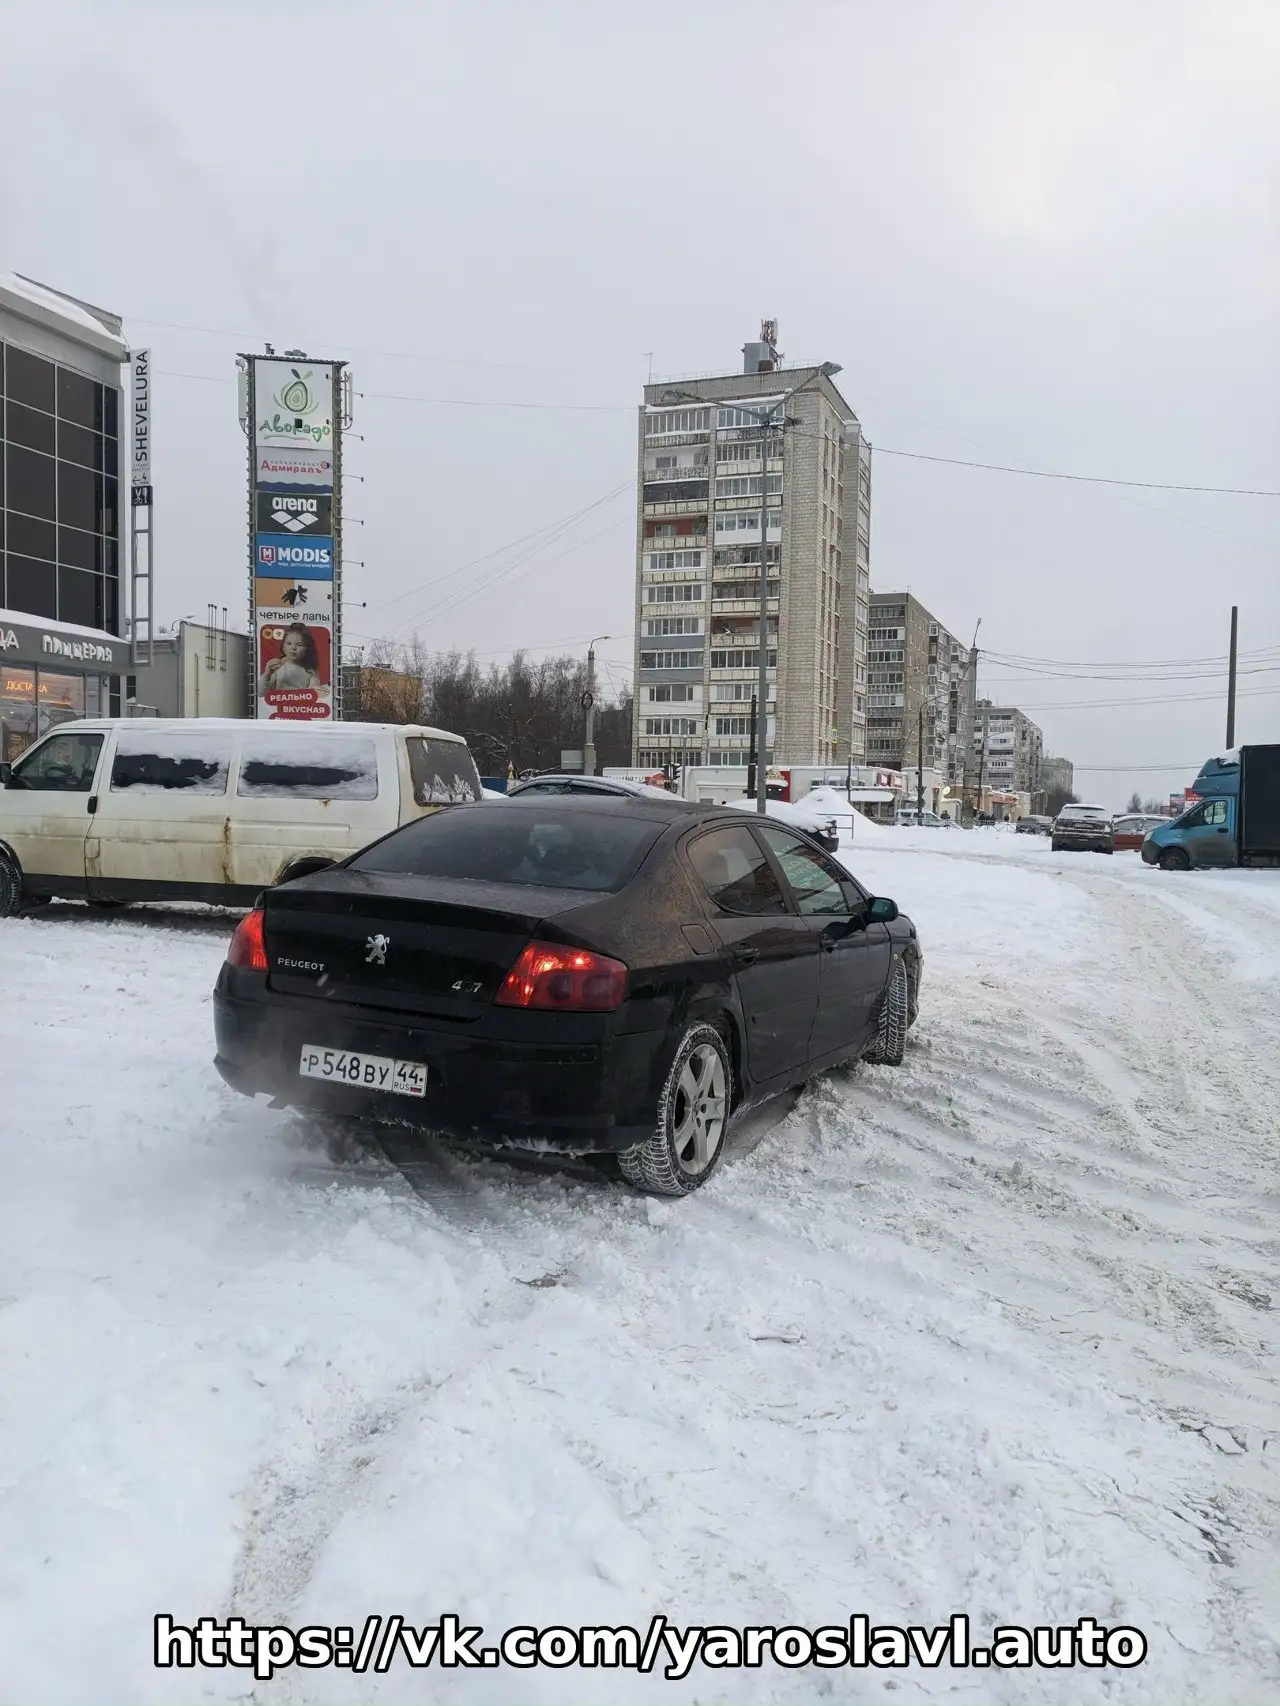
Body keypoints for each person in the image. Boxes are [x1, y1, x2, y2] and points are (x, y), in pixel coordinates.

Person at [260, 624, 322, 695]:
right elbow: (261, 693)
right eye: (289, 643)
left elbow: (315, 694)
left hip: (302, 705)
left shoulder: (310, 671)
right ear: (283, 647)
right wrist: (267, 675)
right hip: (279, 705)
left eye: (299, 644)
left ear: (307, 649)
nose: (293, 648)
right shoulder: (276, 667)